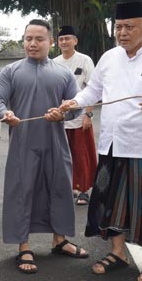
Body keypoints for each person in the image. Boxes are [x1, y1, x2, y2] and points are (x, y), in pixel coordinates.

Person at [59, 1, 142, 281]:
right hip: (112, 145)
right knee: (110, 203)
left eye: (129, 26)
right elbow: (92, 91)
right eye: (118, 27)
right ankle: (118, 253)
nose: (122, 32)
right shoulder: (109, 58)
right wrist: (74, 103)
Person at [0, 19, 88, 274]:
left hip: (56, 142)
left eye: (39, 39)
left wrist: (63, 114)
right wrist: (5, 112)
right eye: (28, 39)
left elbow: (77, 103)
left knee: (59, 188)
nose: (32, 44)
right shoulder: (10, 71)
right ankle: (24, 246)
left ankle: (60, 240)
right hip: (23, 144)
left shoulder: (63, 73)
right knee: (23, 190)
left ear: (50, 42)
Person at [53, 25, 97, 205]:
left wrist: (89, 115)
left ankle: (83, 189)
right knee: (62, 155)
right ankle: (68, 187)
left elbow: (93, 89)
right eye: (61, 39)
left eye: (67, 38)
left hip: (80, 117)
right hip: (60, 118)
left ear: (75, 41)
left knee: (81, 154)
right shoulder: (54, 62)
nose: (64, 42)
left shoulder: (85, 60)